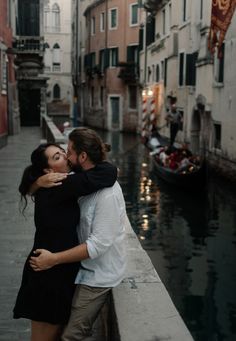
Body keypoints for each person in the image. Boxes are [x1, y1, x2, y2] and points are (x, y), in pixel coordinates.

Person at [13, 138, 117, 341]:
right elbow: (109, 172)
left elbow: (25, 187)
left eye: (63, 151)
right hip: (47, 273)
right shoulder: (63, 185)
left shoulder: (56, 183)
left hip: (55, 269)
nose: (66, 156)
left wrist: (35, 183)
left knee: (55, 334)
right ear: (47, 170)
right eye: (57, 156)